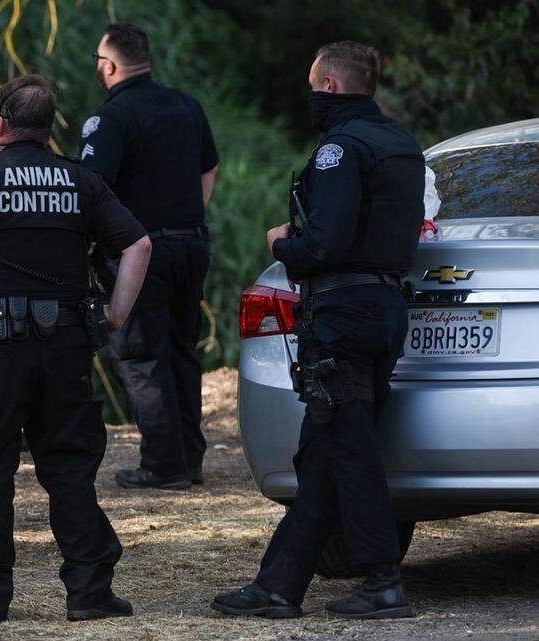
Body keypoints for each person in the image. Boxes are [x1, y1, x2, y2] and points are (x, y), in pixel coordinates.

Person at [0, 75, 153, 622]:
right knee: (69, 468)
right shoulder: (82, 181)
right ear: (48, 131)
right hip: (67, 344)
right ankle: (90, 593)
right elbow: (139, 244)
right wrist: (115, 316)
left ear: (0, 126)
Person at [212, 41, 424, 619]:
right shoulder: (402, 144)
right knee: (323, 450)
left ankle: (383, 580)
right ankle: (279, 585)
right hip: (383, 312)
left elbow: (323, 244)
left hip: (343, 317)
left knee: (348, 448)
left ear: (329, 87)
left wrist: (281, 244)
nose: (311, 99)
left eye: (314, 88)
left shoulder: (339, 149)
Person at [79, 23, 219, 490]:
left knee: (141, 356)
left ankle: (163, 466)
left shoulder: (111, 118)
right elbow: (209, 167)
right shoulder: (186, 105)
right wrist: (188, 216)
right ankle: (189, 459)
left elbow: (93, 189)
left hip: (143, 252)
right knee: (182, 350)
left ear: (111, 65)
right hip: (191, 244)